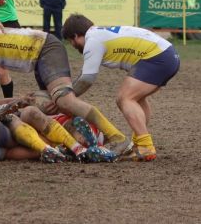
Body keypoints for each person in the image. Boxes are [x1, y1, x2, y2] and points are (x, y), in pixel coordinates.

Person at [0, 27, 131, 158]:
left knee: (64, 101)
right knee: (50, 106)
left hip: (44, 48)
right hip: (39, 57)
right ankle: (90, 143)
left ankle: (117, 137)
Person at [62, 14, 181, 162]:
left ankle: (145, 147)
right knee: (136, 99)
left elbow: (87, 79)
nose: (73, 46)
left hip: (158, 57)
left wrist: (66, 97)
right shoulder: (98, 33)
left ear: (75, 35)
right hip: (167, 54)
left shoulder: (91, 40)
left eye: (71, 41)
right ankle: (139, 145)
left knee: (125, 98)